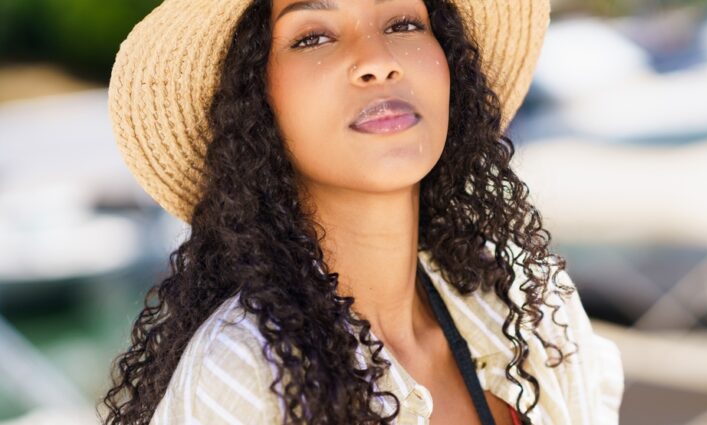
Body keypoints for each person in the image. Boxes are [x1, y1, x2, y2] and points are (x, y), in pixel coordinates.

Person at [99, 0, 624, 423]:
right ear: (253, 102)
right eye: (314, 36)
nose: (377, 60)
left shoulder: (529, 301)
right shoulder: (244, 374)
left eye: (402, 22)